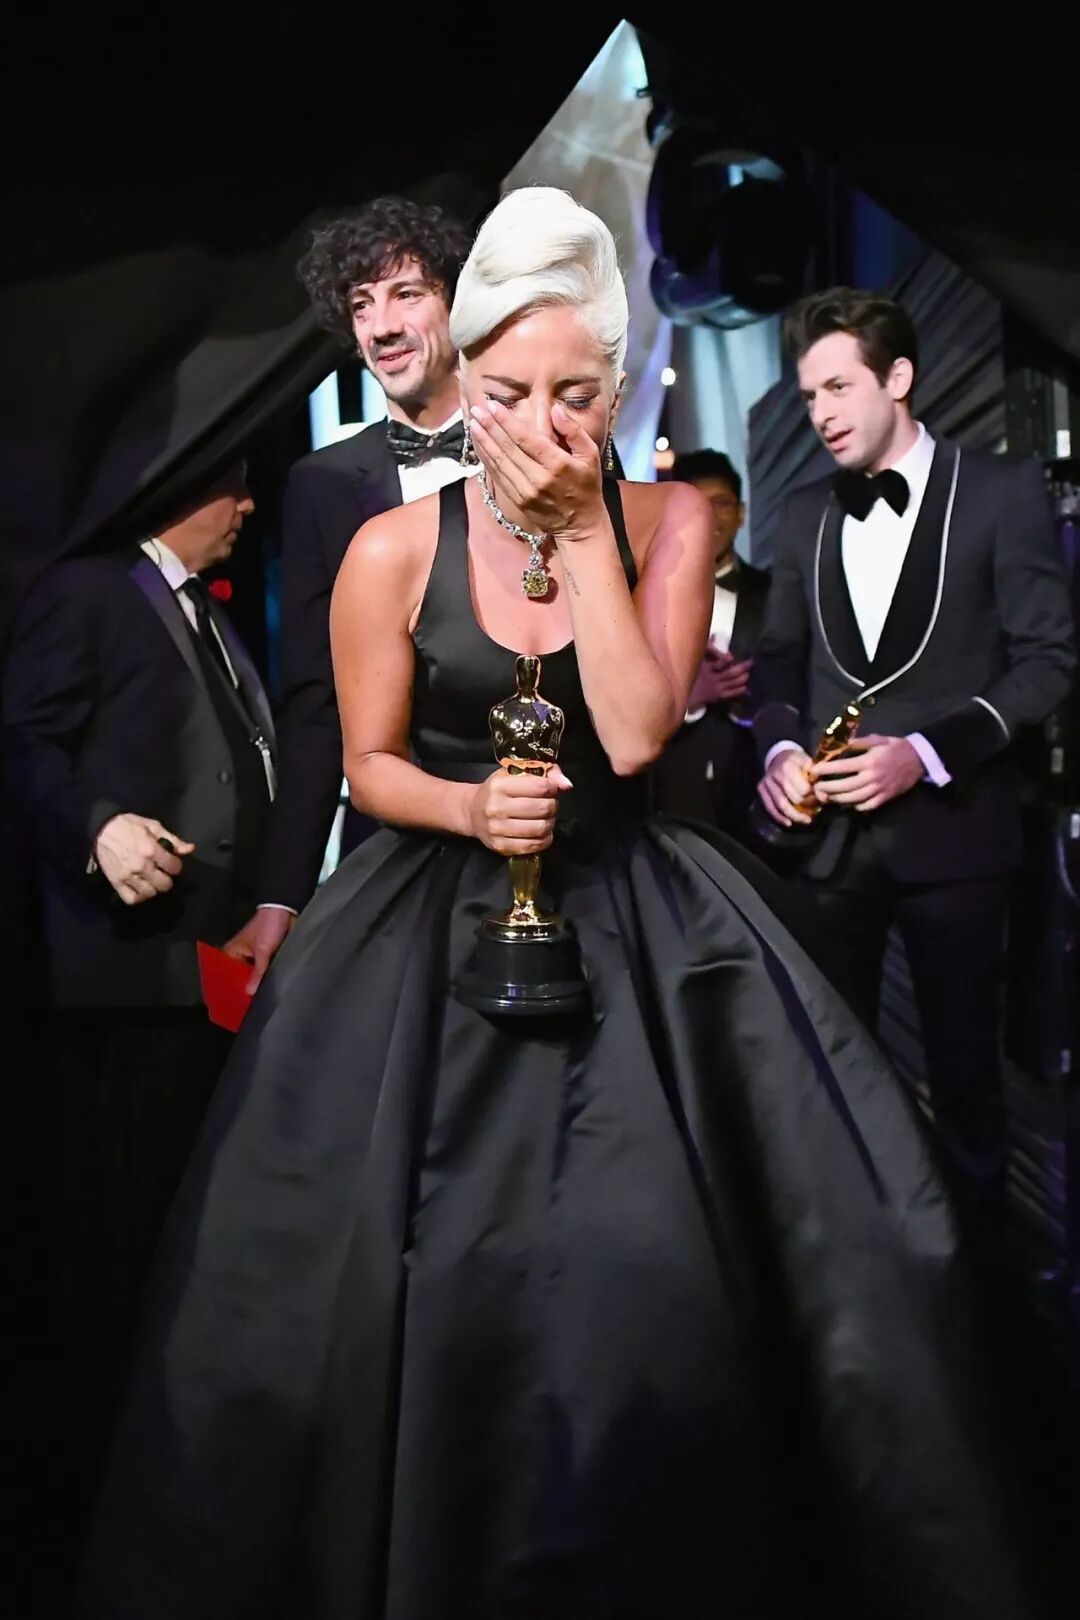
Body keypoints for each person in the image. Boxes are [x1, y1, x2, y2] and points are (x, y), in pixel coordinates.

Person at [84, 194, 1053, 1620]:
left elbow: (641, 730)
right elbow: (368, 762)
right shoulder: (389, 550)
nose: (541, 424)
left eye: (576, 395)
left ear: (613, 387)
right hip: (426, 918)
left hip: (633, 907)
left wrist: (586, 532)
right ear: (467, 379)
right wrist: (471, 807)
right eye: (509, 393)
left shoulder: (670, 521)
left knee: (662, 1258)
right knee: (383, 1258)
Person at [751, 288, 1075, 1246]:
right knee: (831, 1072)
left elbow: (1049, 661)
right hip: (825, 846)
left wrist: (926, 754)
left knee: (966, 1083)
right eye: (809, 396)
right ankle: (860, 1274)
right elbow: (778, 661)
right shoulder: (802, 512)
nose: (822, 414)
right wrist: (778, 748)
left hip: (957, 838)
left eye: (839, 387)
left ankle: (979, 1288)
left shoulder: (1001, 491)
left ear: (898, 378)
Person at [2, 461, 274, 1577]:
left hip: (200, 976)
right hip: (123, 979)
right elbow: (24, 739)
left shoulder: (204, 612)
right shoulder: (90, 590)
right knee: (119, 1251)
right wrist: (98, 826)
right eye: (234, 487)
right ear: (178, 490)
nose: (249, 506)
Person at [224, 198, 475, 990]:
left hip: (543, 824)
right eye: (362, 305)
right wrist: (282, 895)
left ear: (457, 301)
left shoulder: (539, 450)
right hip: (394, 844)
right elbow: (315, 702)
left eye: (406, 293)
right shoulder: (323, 486)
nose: (382, 325)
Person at [651, 448, 770, 837]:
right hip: (666, 795)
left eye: (721, 503)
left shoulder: (775, 593)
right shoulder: (644, 595)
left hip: (755, 796)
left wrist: (750, 692)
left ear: (741, 512)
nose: (711, 517)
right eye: (697, 504)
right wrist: (688, 696)